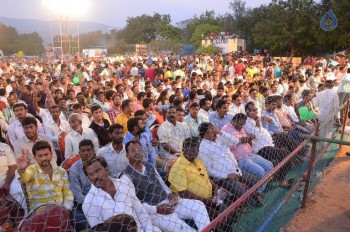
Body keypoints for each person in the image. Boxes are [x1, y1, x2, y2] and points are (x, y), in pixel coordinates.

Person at [123, 140, 210, 232]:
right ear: (127, 155)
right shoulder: (126, 176)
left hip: (168, 200)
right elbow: (135, 205)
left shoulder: (149, 166)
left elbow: (161, 183)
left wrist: (169, 194)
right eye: (133, 150)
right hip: (154, 210)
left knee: (198, 206)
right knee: (183, 228)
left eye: (139, 149)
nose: (137, 152)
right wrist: (156, 209)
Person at [82, 156, 161, 231]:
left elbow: (140, 211)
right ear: (88, 178)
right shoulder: (89, 202)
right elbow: (99, 230)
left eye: (98, 170)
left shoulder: (124, 184)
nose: (95, 176)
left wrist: (148, 230)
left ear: (107, 169)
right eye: (91, 174)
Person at [197, 122, 264, 205]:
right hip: (223, 177)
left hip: (236, 170)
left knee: (257, 182)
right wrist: (227, 175)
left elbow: (235, 140)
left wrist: (220, 132)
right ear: (204, 135)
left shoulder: (219, 138)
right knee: (244, 195)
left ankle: (252, 196)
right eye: (211, 131)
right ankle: (239, 201)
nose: (214, 132)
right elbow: (209, 170)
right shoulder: (203, 148)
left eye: (213, 129)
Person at [16, 140, 74, 212]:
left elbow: (68, 194)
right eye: (40, 156)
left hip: (61, 213)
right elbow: (24, 178)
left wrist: (66, 210)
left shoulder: (61, 171)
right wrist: (21, 170)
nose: (44, 158)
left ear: (51, 154)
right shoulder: (31, 170)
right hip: (39, 216)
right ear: (34, 157)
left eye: (46, 155)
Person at [69, 139, 94, 231]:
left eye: (89, 150)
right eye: (83, 151)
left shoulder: (100, 164)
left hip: (103, 198)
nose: (86, 153)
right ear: (79, 153)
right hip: (84, 203)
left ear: (93, 151)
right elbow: (78, 196)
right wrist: (93, 202)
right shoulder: (74, 170)